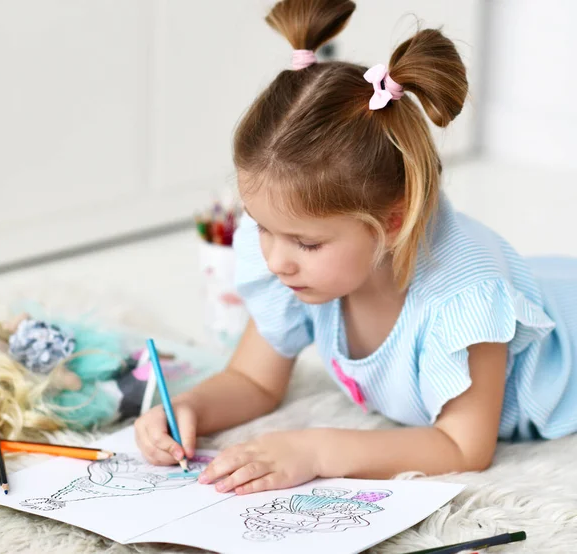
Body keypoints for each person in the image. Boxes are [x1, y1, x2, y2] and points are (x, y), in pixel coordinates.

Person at [135, 0, 577, 495]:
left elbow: (462, 447)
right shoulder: (298, 268)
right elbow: (254, 380)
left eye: (305, 242)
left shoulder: (467, 300)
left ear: (392, 222)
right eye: (261, 227)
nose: (276, 260)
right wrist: (190, 409)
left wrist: (316, 450)